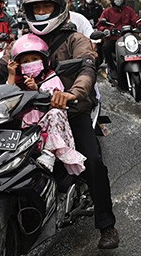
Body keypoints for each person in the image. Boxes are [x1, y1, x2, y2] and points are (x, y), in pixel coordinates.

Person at [0, 0, 119, 249]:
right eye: (36, 8)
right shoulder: (21, 40)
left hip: (68, 112)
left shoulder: (75, 39)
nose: (42, 12)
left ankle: (107, 225)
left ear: (59, 8)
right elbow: (0, 69)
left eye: (47, 6)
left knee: (92, 160)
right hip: (24, 111)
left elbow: (87, 66)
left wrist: (73, 93)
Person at [7, 34, 86, 176]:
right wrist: (11, 74)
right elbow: (7, 95)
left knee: (55, 113)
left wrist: (36, 90)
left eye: (34, 59)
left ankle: (49, 153)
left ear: (43, 60)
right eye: (25, 61)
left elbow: (55, 96)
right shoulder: (19, 82)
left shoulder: (51, 76)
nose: (30, 63)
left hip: (49, 124)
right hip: (28, 126)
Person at [97, 0, 139, 79]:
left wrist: (140, 25)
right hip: (114, 39)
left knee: (140, 45)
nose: (119, 0)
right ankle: (112, 68)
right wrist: (105, 30)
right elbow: (100, 24)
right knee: (106, 47)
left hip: (128, 38)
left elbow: (135, 20)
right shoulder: (107, 12)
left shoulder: (129, 10)